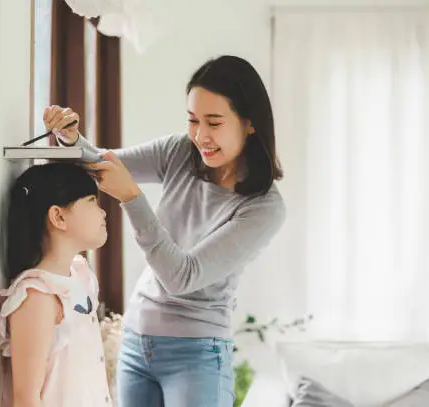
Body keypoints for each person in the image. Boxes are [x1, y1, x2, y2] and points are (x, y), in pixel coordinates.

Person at [44, 55, 286, 407]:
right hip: (137, 343)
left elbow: (182, 277)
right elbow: (104, 164)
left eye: (214, 122)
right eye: (193, 120)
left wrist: (131, 197)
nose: (201, 136)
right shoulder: (180, 152)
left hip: (198, 355)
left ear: (250, 123)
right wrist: (70, 139)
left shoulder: (264, 208)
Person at [0, 163, 112, 407]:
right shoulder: (37, 294)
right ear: (58, 217)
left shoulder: (80, 274)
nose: (102, 213)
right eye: (92, 201)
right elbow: (26, 397)